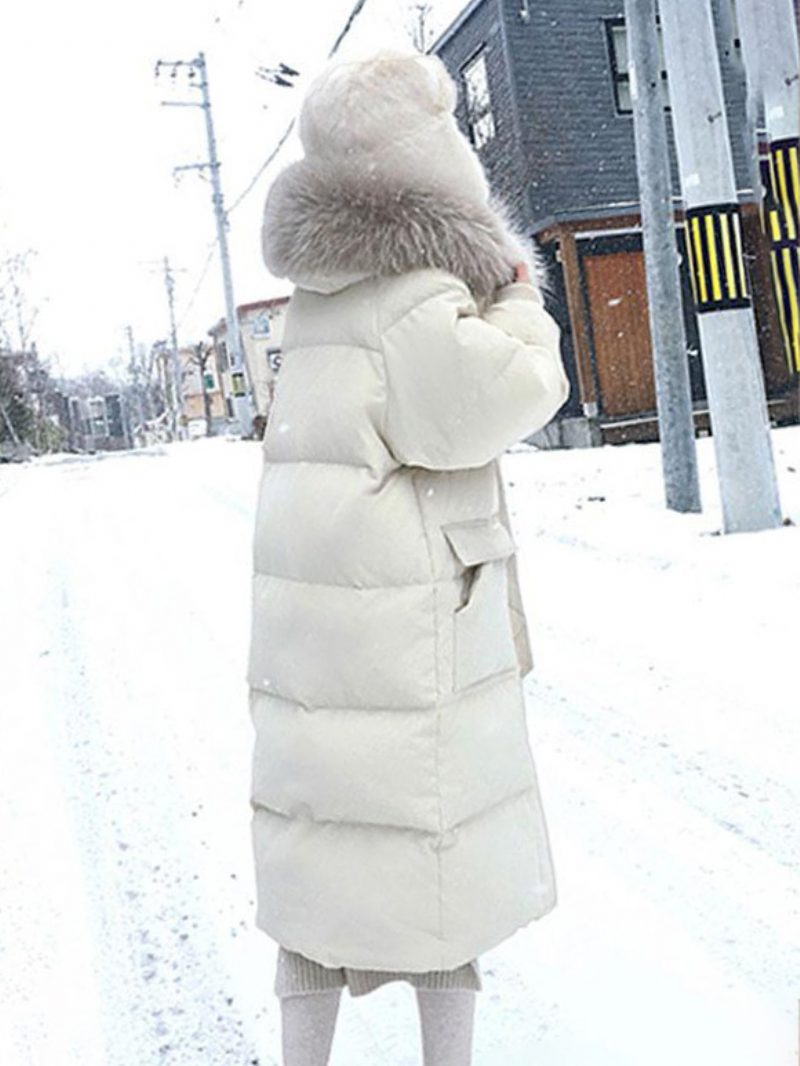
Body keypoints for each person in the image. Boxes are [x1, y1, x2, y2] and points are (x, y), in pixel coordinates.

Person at [247, 48, 570, 1066]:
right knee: (436, 875)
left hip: (320, 630)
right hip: (404, 628)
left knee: (322, 858)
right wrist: (517, 293)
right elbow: (509, 392)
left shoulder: (319, 295)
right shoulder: (413, 294)